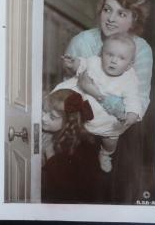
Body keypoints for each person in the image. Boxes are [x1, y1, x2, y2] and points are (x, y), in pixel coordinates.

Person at [63, 0, 153, 120]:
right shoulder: (81, 42)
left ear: (134, 19)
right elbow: (67, 97)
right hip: (80, 126)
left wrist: (96, 94)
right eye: (107, 10)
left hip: (122, 128)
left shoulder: (142, 50)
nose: (111, 19)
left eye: (121, 14)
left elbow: (137, 106)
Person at [55, 33, 141, 172]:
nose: (113, 60)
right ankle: (69, 150)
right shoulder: (95, 62)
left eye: (121, 58)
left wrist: (132, 114)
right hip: (85, 108)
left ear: (129, 65)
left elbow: (133, 99)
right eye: (109, 54)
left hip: (107, 119)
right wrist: (73, 63)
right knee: (73, 128)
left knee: (110, 141)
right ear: (102, 54)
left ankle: (106, 154)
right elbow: (82, 64)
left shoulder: (129, 79)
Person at [42, 88, 94, 166]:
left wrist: (48, 149)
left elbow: (57, 174)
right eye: (44, 111)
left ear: (68, 121)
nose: (43, 118)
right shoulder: (60, 131)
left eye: (52, 117)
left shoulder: (71, 147)